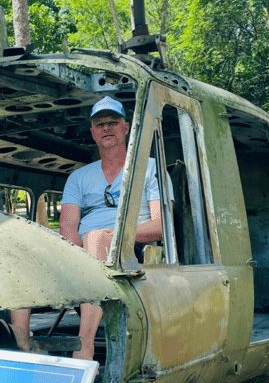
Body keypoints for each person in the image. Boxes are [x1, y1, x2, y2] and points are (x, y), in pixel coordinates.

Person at [60, 96, 167, 360]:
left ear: (126, 127)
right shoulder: (79, 177)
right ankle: (20, 346)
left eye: (112, 122)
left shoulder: (151, 168)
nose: (106, 128)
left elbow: (161, 224)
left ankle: (84, 344)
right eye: (100, 124)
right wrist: (76, 254)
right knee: (28, 251)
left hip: (134, 248)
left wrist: (117, 236)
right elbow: (68, 227)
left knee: (96, 237)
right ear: (93, 132)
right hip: (85, 248)